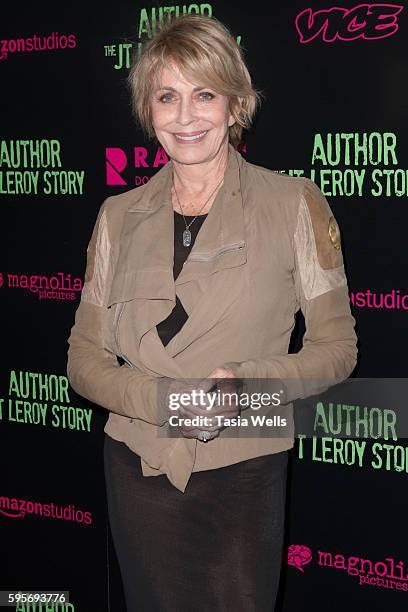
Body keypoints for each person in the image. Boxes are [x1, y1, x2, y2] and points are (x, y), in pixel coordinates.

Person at [67, 13, 358, 612]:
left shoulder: (293, 204)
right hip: (139, 463)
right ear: (148, 111)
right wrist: (163, 402)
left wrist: (248, 384)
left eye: (204, 94)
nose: (185, 116)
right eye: (166, 96)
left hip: (244, 461)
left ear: (235, 102)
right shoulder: (117, 217)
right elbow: (82, 360)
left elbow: (338, 349)